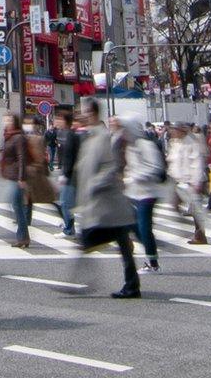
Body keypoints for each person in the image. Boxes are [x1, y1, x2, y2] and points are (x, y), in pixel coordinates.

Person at [71, 103, 140, 298]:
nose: (81, 116)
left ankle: (83, 281)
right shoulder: (92, 136)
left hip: (108, 203)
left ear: (92, 114)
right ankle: (131, 285)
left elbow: (111, 167)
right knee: (122, 244)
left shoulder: (102, 137)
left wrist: (93, 184)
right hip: (104, 204)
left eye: (84, 113)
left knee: (89, 242)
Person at [124, 116, 167, 273]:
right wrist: (128, 179)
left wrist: (136, 177)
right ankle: (150, 254)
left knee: (143, 227)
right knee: (136, 227)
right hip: (133, 192)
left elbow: (156, 168)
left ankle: (153, 262)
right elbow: (130, 168)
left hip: (148, 192)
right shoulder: (131, 147)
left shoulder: (145, 145)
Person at [165, 122, 211, 245]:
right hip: (178, 180)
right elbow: (172, 160)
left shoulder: (192, 142)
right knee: (175, 204)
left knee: (196, 209)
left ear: (182, 131)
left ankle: (200, 235)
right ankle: (190, 228)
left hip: (191, 181)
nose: (172, 132)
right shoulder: (173, 142)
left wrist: (195, 182)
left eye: (175, 130)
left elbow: (197, 163)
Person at [0, 114, 33, 247]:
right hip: (13, 175)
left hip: (18, 176)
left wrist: (21, 177)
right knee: (15, 206)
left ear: (15, 122)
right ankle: (23, 237)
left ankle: (23, 238)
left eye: (9, 120)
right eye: (5, 119)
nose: (7, 122)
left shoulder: (18, 137)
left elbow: (22, 157)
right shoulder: (9, 136)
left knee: (16, 206)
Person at [52, 108, 81, 237]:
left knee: (66, 202)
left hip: (70, 175)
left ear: (65, 121)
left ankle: (69, 229)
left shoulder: (70, 135)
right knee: (65, 202)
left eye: (59, 119)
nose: (56, 121)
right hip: (67, 172)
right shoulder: (63, 133)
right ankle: (68, 226)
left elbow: (70, 157)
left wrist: (65, 174)